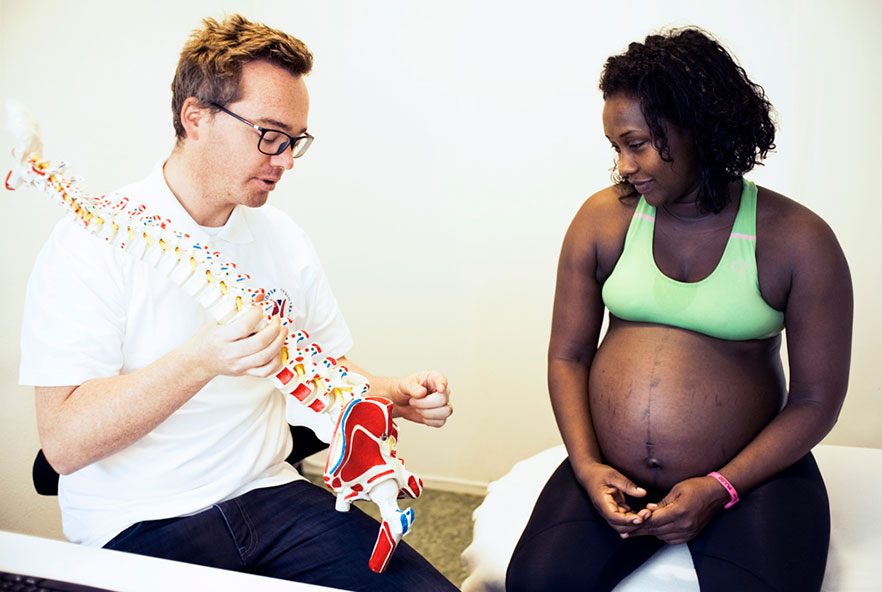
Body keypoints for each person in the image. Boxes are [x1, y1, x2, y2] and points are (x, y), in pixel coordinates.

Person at [19, 14, 457, 591]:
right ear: (195, 117)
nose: (286, 160)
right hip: (136, 521)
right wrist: (202, 360)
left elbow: (322, 365)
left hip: (272, 494)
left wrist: (392, 392)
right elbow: (66, 444)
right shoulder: (89, 242)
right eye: (270, 135)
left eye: (295, 141)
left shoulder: (282, 239)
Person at [505, 27, 851, 592]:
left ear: (698, 129)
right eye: (616, 147)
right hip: (616, 476)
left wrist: (722, 485)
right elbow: (568, 356)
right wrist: (588, 466)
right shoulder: (604, 220)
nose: (624, 166)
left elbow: (816, 401)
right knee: (535, 584)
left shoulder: (796, 239)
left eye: (637, 143)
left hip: (751, 480)